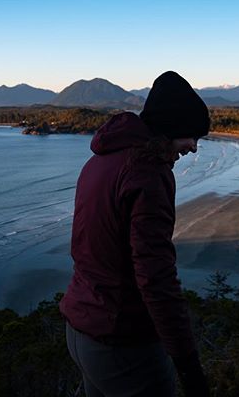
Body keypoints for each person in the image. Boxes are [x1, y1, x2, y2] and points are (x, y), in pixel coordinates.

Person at [60, 71, 211, 397]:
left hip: (81, 330)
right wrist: (189, 367)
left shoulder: (101, 161)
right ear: (171, 126)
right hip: (122, 343)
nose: (194, 148)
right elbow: (155, 276)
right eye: (192, 136)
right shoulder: (147, 173)